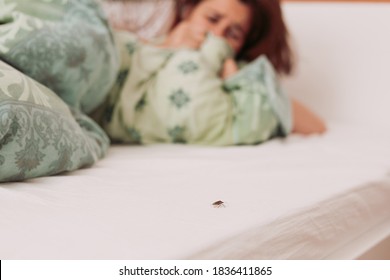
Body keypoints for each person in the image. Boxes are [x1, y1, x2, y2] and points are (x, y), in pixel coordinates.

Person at [93, 0, 326, 145]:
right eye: (212, 19)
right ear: (189, 11)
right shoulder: (143, 43)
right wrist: (160, 49)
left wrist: (236, 78)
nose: (216, 34)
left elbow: (315, 125)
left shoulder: (232, 70)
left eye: (233, 34)